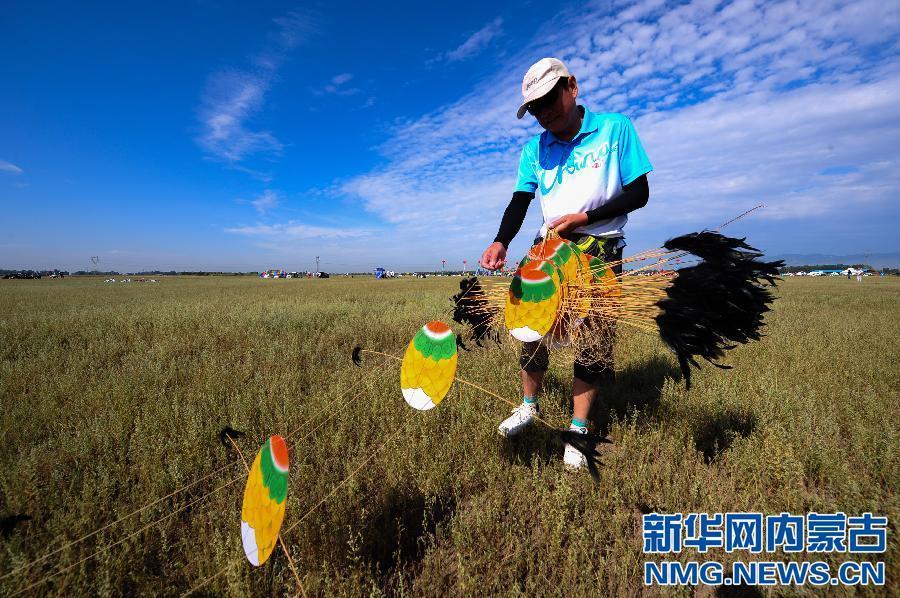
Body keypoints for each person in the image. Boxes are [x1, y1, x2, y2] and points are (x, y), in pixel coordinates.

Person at [479, 57, 653, 471]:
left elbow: (640, 192)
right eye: (534, 109)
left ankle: (578, 429)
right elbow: (521, 200)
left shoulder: (615, 129)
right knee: (531, 331)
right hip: (547, 251)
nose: (543, 113)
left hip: (599, 250)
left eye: (548, 100)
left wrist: (584, 218)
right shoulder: (534, 149)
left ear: (571, 87)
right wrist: (501, 240)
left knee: (592, 342)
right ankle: (528, 406)